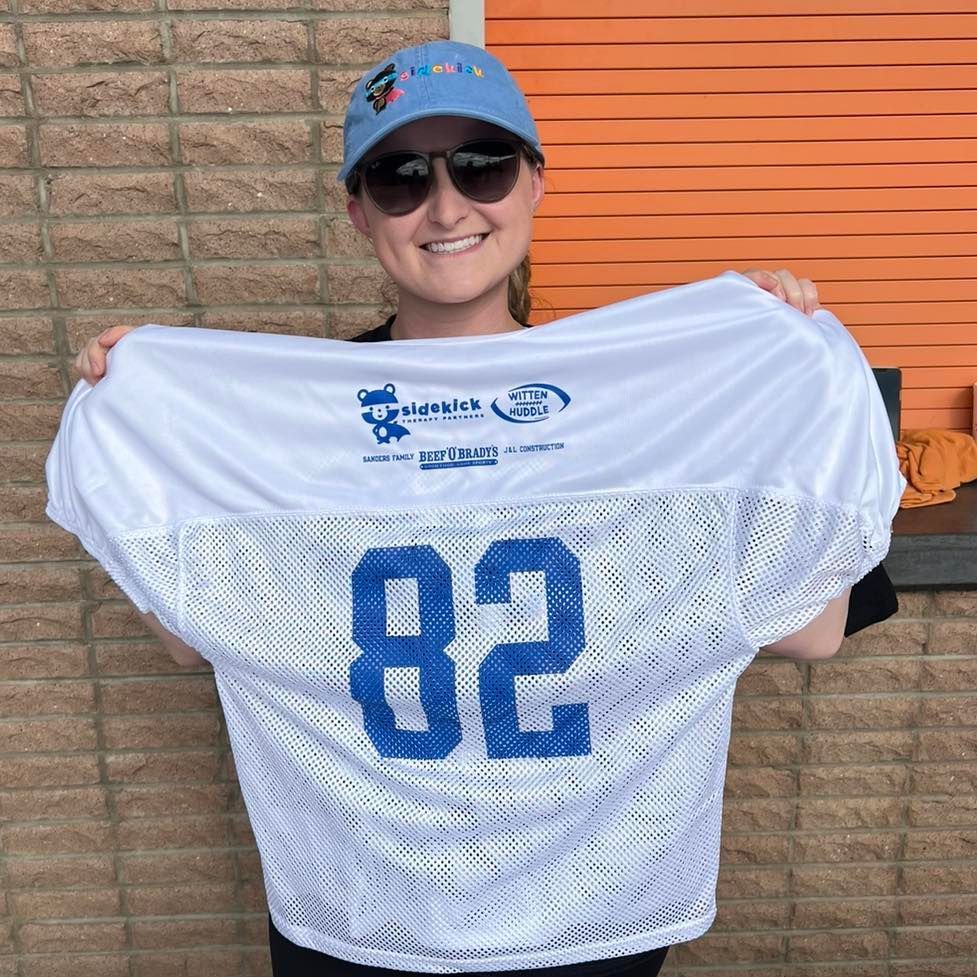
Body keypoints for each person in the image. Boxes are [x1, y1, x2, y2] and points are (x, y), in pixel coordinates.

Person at [64, 40, 900, 977]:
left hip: (587, 909)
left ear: (535, 183)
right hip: (366, 909)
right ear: (357, 211)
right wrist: (142, 415)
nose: (447, 205)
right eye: (398, 178)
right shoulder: (285, 429)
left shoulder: (647, 409)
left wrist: (773, 384)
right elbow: (193, 637)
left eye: (480, 166)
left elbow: (813, 629)